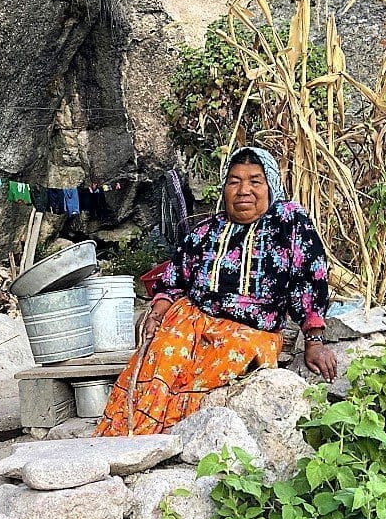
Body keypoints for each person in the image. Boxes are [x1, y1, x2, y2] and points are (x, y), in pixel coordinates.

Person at [94, 146, 337, 438]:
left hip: (248, 331)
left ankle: (177, 436)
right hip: (189, 321)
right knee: (161, 362)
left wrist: (314, 341)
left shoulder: (290, 223)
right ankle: (129, 436)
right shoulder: (206, 230)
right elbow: (174, 277)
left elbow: (311, 279)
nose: (243, 190)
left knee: (218, 367)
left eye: (255, 181)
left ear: (270, 185)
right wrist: (156, 313)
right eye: (234, 181)